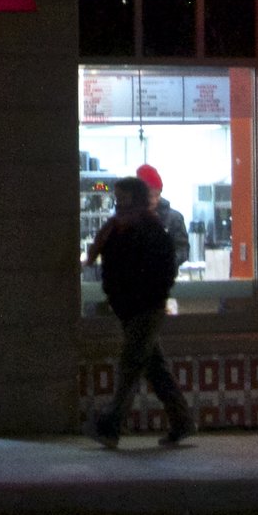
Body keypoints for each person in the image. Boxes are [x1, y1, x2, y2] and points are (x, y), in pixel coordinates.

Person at [85, 175, 194, 448]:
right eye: (117, 197)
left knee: (130, 366)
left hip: (143, 307)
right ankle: (182, 421)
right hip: (135, 307)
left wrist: (144, 296)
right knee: (153, 367)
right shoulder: (122, 227)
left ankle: (110, 425)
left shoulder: (145, 228)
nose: (119, 202)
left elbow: (160, 267)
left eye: (123, 197)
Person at [135, 163, 190, 261]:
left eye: (157, 195)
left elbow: (183, 250)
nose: (154, 200)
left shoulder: (174, 219)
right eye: (149, 196)